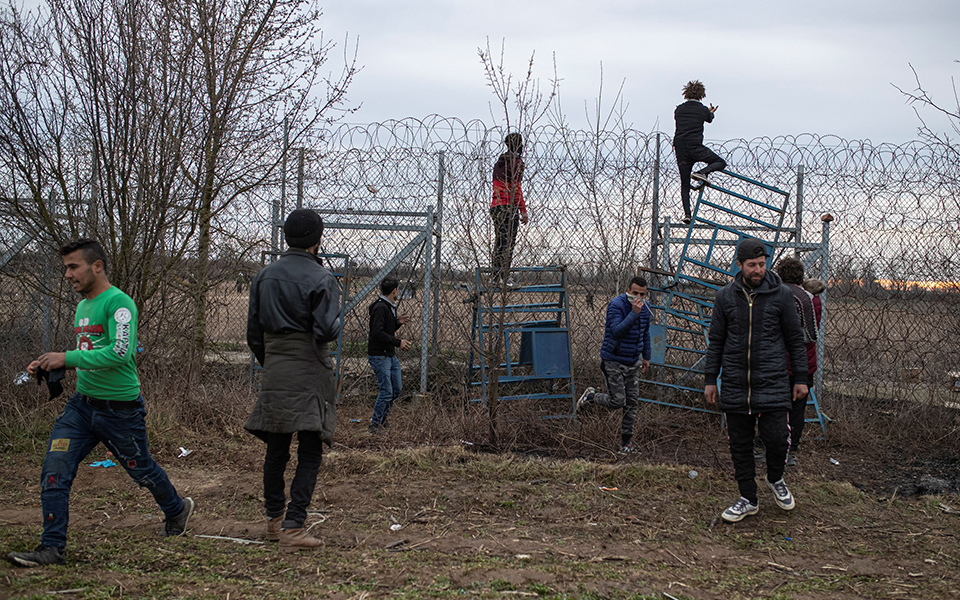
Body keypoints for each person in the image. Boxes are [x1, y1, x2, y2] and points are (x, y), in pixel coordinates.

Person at [6, 239, 194, 567]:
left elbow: (120, 352)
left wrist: (67, 357)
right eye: (65, 267)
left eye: (73, 266)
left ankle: (177, 510)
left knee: (142, 470)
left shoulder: (119, 304)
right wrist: (54, 363)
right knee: (55, 469)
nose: (67, 274)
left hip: (120, 410)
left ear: (97, 266)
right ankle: (52, 548)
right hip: (81, 408)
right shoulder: (82, 307)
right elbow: (90, 352)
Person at [246, 208, 341, 551]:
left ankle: (273, 520)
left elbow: (253, 334)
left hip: (275, 365)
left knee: (276, 448)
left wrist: (271, 360)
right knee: (310, 450)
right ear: (318, 240)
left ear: (286, 236)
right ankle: (294, 526)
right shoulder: (322, 278)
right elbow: (326, 329)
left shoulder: (265, 276)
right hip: (310, 366)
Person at [704, 239, 808, 523]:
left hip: (773, 380)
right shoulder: (725, 297)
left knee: (776, 437)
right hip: (736, 381)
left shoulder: (782, 295)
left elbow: (795, 339)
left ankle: (776, 478)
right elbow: (716, 342)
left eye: (762, 264)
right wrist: (711, 379)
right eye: (752, 265)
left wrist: (800, 377)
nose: (758, 270)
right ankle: (748, 498)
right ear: (739, 266)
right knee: (740, 443)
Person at [576, 277, 652, 454]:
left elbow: (645, 332)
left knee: (631, 403)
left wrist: (646, 357)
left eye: (642, 294)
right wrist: (633, 313)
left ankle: (626, 444)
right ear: (628, 290)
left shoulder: (646, 307)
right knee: (618, 401)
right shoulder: (616, 305)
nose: (639, 297)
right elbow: (617, 330)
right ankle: (591, 397)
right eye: (635, 293)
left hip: (633, 360)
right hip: (614, 360)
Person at [778, 258, 823, 466]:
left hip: (777, 361)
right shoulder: (811, 300)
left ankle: (767, 444)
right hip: (803, 364)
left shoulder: (775, 295)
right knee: (797, 407)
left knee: (773, 405)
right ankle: (792, 449)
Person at [674, 80, 727, 223]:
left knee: (684, 183)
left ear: (686, 93)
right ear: (701, 95)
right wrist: (711, 113)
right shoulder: (702, 109)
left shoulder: (679, 109)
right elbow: (709, 119)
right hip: (695, 147)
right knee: (720, 162)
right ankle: (702, 172)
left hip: (680, 148)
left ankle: (687, 214)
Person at [367, 276, 411, 433]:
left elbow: (386, 330)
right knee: (386, 390)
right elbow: (377, 333)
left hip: (389, 355)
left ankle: (382, 419)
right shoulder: (381, 308)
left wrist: (396, 323)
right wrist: (398, 342)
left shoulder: (388, 306)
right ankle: (376, 423)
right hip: (380, 355)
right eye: (398, 289)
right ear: (395, 290)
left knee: (396, 389)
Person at [490, 132, 528, 287]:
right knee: (508, 243)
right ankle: (505, 277)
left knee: (499, 242)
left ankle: (495, 277)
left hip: (496, 206)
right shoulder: (517, 163)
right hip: (508, 207)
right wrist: (523, 211)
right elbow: (515, 189)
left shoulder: (499, 163)